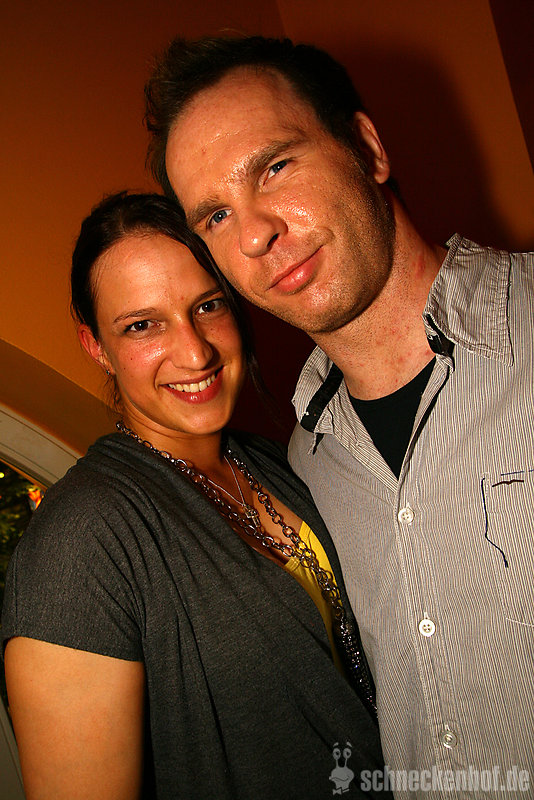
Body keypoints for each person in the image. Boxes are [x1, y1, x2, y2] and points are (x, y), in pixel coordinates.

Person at [143, 36, 534, 798]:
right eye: (216, 215)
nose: (253, 234)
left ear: (368, 148)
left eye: (274, 167)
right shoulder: (308, 463)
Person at [1, 192, 389, 800]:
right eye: (142, 325)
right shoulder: (83, 544)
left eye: (207, 306)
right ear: (95, 344)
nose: (195, 351)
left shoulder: (276, 461)